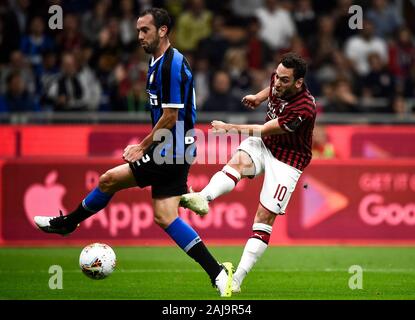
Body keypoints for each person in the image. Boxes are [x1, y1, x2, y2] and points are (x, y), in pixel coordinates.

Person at [33, 8, 233, 298]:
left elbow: (169, 117)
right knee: (165, 216)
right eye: (139, 30)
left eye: (145, 30)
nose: (139, 36)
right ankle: (217, 272)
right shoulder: (157, 62)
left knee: (108, 181)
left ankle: (68, 223)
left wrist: (143, 146)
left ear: (163, 30)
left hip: (170, 149)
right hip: (177, 149)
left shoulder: (170, 65)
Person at [181, 53, 316, 293]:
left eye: (284, 81)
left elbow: (264, 130)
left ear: (298, 83)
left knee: (263, 218)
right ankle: (204, 198)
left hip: (288, 161)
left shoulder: (304, 108)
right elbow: (272, 90)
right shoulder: (279, 79)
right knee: (238, 162)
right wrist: (258, 96)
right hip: (266, 146)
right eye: (277, 77)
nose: (277, 83)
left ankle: (237, 279)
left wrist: (229, 128)